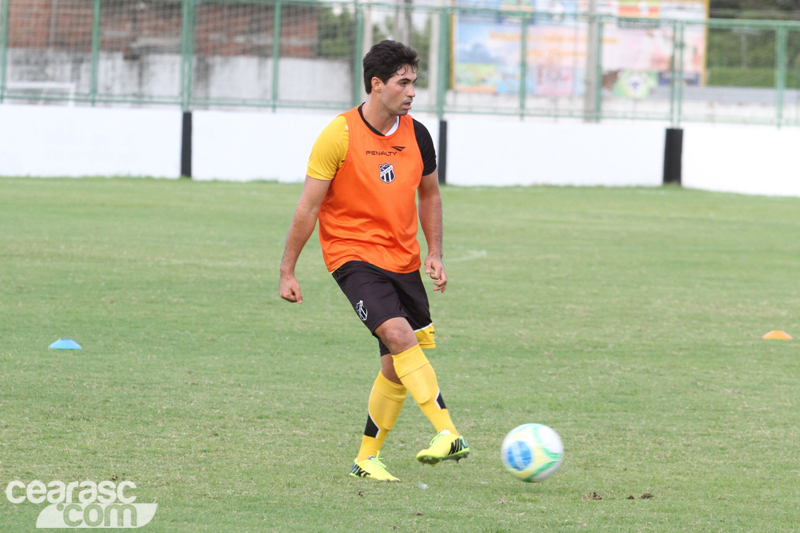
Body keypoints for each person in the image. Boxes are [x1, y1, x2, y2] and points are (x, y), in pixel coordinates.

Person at [279, 40, 469, 482]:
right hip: (353, 256)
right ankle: (448, 432)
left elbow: (430, 194)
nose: (412, 92)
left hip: (402, 259)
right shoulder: (338, 135)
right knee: (401, 336)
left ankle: (366, 458)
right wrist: (288, 269)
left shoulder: (418, 134)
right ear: (376, 84)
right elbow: (308, 207)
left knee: (395, 367)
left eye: (414, 83)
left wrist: (435, 251)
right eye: (403, 83)